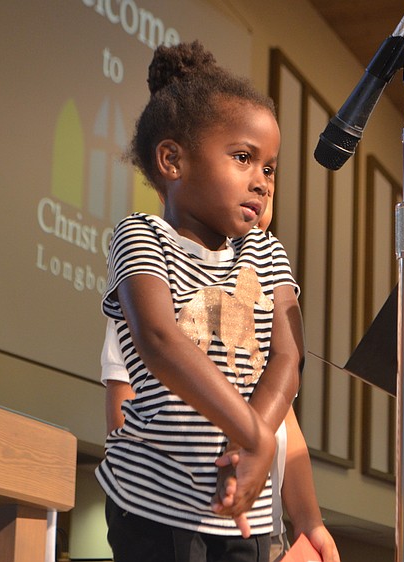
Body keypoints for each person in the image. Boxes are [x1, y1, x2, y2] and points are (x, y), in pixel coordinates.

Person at [97, 40, 301, 561]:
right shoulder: (141, 235)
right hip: (152, 502)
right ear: (172, 160)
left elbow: (286, 356)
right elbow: (160, 338)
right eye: (243, 158)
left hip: (242, 511)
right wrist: (254, 436)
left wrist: (253, 443)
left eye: (270, 168)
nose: (261, 180)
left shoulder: (266, 252)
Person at [101, 185, 339, 561]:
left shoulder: (264, 274)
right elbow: (123, 406)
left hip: (251, 520)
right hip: (168, 505)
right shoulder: (150, 286)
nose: (259, 188)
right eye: (241, 160)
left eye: (268, 174)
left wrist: (308, 520)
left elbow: (285, 427)